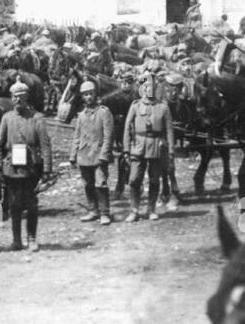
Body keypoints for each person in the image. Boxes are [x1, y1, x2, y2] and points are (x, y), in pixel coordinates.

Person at [0, 81, 52, 250]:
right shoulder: (6, 118)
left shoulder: (37, 118)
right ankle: (16, 239)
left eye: (21, 97)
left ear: (27, 97)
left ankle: (32, 238)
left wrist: (47, 169)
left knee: (31, 204)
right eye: (14, 97)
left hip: (31, 168)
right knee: (14, 204)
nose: (17, 100)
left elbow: (45, 145)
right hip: (11, 168)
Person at [123, 77, 175, 222]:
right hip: (138, 147)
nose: (149, 90)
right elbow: (127, 127)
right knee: (134, 179)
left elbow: (169, 131)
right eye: (147, 87)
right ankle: (134, 210)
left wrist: (171, 151)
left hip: (156, 147)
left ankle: (151, 209)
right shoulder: (135, 106)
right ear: (143, 89)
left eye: (153, 87)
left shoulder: (163, 107)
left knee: (154, 180)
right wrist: (126, 150)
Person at [70, 80, 112, 225]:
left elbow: (108, 136)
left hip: (99, 154)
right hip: (84, 154)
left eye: (91, 94)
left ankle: (105, 213)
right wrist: (72, 155)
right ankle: (93, 210)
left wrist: (104, 154)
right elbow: (77, 136)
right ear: (82, 97)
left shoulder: (104, 113)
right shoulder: (81, 116)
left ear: (95, 94)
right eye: (85, 95)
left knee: (101, 184)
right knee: (88, 184)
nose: (88, 97)